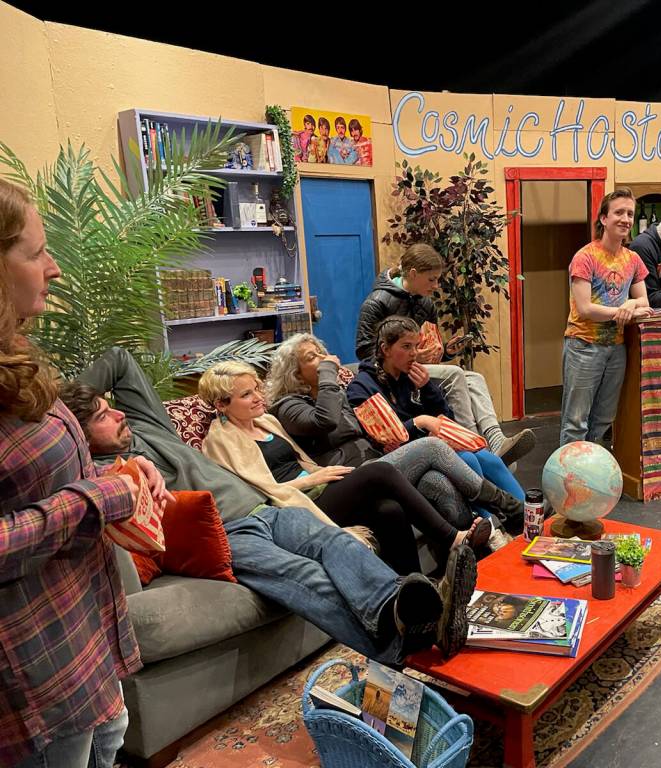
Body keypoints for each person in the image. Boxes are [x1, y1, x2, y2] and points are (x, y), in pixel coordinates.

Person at [67, 346, 477, 661]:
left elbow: (118, 360)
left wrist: (62, 402)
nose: (117, 415)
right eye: (102, 417)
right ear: (77, 435)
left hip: (266, 508)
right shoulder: (98, 473)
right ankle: (403, 640)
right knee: (303, 574)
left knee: (333, 543)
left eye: (110, 406)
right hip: (226, 534)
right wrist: (63, 425)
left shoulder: (147, 425)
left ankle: (402, 612)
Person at [0, 179, 166, 767]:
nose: (55, 268)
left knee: (110, 742)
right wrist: (94, 499)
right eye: (37, 253)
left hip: (85, 629)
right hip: (35, 667)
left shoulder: (17, 353)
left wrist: (120, 471)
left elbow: (37, 476)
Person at [197, 361, 490, 574]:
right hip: (295, 505)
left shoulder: (267, 422)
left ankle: (411, 590)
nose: (258, 398)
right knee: (384, 470)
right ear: (221, 405)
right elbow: (256, 494)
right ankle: (454, 536)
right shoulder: (220, 441)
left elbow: (302, 461)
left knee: (389, 509)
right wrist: (312, 479)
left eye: (257, 389)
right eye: (246, 395)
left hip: (322, 485)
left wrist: (318, 473)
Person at [265, 332, 524, 532]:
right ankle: (510, 507)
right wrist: (329, 375)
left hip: (378, 462)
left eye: (321, 353)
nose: (322, 360)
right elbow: (326, 420)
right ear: (295, 373)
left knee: (436, 481)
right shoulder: (289, 406)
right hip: (349, 479)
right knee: (433, 448)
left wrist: (387, 439)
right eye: (311, 358)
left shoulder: (337, 392)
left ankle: (477, 543)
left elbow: (368, 430)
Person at [356, 242, 535, 465]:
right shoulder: (376, 303)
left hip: (415, 368)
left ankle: (495, 438)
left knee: (474, 378)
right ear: (413, 274)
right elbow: (364, 350)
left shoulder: (426, 304)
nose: (436, 285)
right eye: (431, 279)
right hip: (390, 372)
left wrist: (446, 352)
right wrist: (413, 356)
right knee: (455, 375)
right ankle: (473, 443)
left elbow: (429, 351)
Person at [347, 315, 526, 532]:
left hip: (431, 445)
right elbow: (383, 439)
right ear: (385, 349)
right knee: (468, 459)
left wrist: (427, 388)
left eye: (416, 346)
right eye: (406, 346)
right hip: (399, 458)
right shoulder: (362, 387)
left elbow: (445, 418)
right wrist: (418, 422)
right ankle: (491, 529)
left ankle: (529, 515)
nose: (414, 353)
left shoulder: (408, 376)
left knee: (489, 459)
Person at [560, 187, 653, 445]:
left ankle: (592, 469)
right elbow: (585, 309)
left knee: (603, 419)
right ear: (604, 218)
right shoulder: (585, 257)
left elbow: (644, 301)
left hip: (616, 349)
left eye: (630, 214)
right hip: (583, 346)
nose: (626, 219)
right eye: (619, 212)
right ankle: (568, 471)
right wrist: (623, 311)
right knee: (575, 421)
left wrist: (631, 303)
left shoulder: (633, 259)